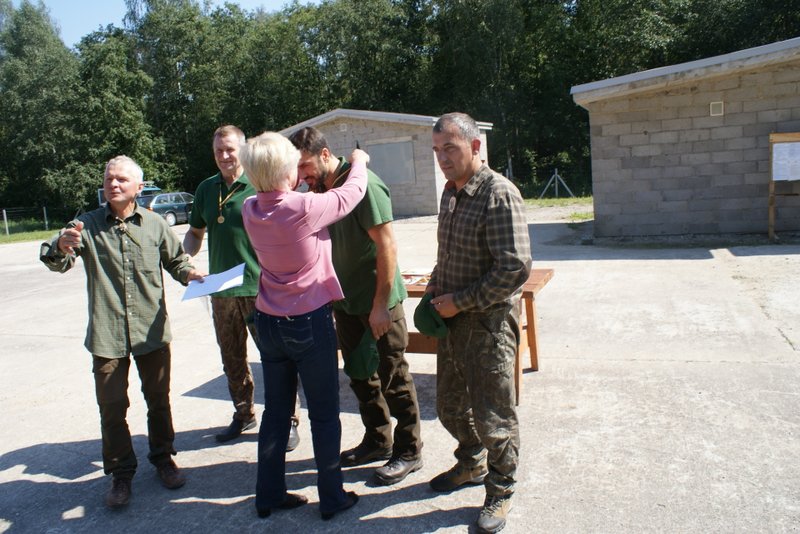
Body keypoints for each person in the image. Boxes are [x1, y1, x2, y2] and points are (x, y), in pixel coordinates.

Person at [39, 156, 206, 509]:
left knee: (158, 400)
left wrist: (190, 273)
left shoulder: (155, 224)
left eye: (121, 179)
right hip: (107, 333)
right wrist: (61, 245)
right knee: (112, 407)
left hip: (151, 330)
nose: (113, 184)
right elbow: (59, 258)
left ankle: (163, 458)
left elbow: (176, 261)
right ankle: (120, 473)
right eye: (108, 179)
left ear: (139, 187)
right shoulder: (86, 225)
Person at [240, 132, 368, 520]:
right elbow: (351, 194)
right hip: (308, 320)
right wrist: (359, 161)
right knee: (324, 414)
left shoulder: (249, 208)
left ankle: (268, 495)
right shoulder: (304, 207)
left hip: (268, 321)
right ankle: (332, 497)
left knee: (276, 412)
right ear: (288, 171)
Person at [288, 127, 423, 486]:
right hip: (345, 302)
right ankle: (378, 440)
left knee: (393, 377)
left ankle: (410, 451)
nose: (302, 175)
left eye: (305, 166)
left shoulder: (365, 185)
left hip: (378, 302)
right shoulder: (322, 191)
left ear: (325, 154)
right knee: (361, 376)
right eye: (296, 169)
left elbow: (387, 246)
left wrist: (380, 306)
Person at [426, 113, 532, 534]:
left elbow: (514, 268)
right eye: (437, 150)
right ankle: (471, 463)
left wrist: (461, 301)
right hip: (451, 321)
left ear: (475, 146)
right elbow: (447, 252)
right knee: (449, 407)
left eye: (450, 148)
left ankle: (501, 488)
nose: (442, 158)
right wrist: (436, 287)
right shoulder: (451, 192)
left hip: (488, 325)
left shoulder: (498, 193)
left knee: (494, 417)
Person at [184, 125, 300, 448]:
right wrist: (186, 258)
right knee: (231, 357)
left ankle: (288, 420)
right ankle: (243, 412)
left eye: (229, 150)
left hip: (260, 288)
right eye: (218, 151)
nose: (223, 156)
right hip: (221, 290)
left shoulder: (259, 182)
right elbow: (195, 232)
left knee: (275, 357)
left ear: (243, 150)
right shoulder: (206, 189)